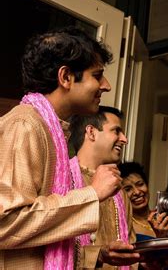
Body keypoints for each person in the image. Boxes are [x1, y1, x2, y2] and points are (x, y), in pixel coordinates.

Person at [0, 27, 121, 269]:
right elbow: (6, 223)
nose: (106, 86)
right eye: (97, 75)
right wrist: (91, 194)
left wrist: (99, 256)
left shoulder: (52, 130)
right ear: (65, 77)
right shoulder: (25, 124)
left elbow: (43, 243)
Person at [69, 106, 141, 269]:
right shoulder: (63, 179)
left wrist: (145, 264)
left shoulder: (120, 191)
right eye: (116, 131)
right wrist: (98, 255)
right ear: (91, 132)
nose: (124, 139)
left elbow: (130, 249)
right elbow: (52, 249)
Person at [120, 162, 168, 241]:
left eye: (140, 184)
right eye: (128, 189)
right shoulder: (123, 227)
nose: (137, 192)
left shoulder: (166, 220)